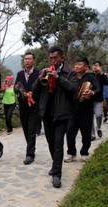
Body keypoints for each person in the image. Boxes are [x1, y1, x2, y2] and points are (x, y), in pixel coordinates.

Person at [32, 46, 78, 188]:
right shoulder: (44, 72)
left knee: (58, 144)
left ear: (62, 58)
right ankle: (55, 164)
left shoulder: (70, 73)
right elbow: (34, 91)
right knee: (51, 142)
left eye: (55, 58)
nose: (52, 60)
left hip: (62, 114)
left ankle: (57, 174)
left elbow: (73, 89)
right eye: (50, 58)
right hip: (47, 114)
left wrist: (58, 78)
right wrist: (40, 79)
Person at [64, 57, 100, 164]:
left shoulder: (91, 77)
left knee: (86, 132)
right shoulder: (72, 76)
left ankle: (84, 153)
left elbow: (98, 89)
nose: (77, 66)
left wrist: (92, 93)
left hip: (86, 110)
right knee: (70, 131)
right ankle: (71, 152)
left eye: (79, 64)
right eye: (76, 64)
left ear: (86, 67)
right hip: (72, 109)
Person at [14, 52, 41, 165]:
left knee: (31, 130)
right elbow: (16, 89)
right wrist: (16, 89)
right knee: (25, 129)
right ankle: (31, 146)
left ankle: (30, 154)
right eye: (26, 59)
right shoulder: (20, 74)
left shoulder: (39, 73)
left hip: (34, 106)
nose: (27, 61)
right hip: (23, 105)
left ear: (34, 61)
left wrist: (32, 93)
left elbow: (41, 88)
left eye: (30, 59)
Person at [91, 61, 108, 140]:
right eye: (94, 65)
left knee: (98, 114)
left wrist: (101, 73)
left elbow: (106, 83)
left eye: (97, 65)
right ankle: (92, 134)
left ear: (100, 67)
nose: (95, 67)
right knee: (90, 117)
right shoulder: (90, 75)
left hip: (98, 99)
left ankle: (98, 128)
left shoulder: (102, 76)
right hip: (90, 99)